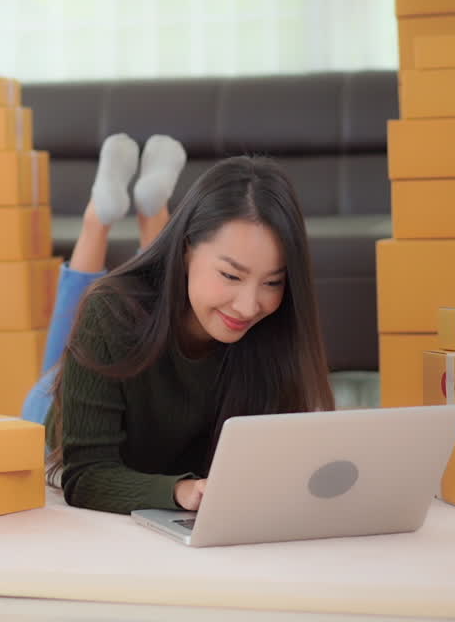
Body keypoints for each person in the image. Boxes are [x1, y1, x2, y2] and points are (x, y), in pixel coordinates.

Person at [21, 133, 333, 515]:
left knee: (148, 297)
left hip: (141, 341)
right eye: (231, 276)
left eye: (272, 282)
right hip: (53, 419)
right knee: (95, 313)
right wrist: (180, 492)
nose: (250, 306)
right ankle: (101, 220)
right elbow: (85, 474)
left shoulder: (274, 328)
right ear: (186, 248)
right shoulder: (111, 312)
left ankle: (139, 211)